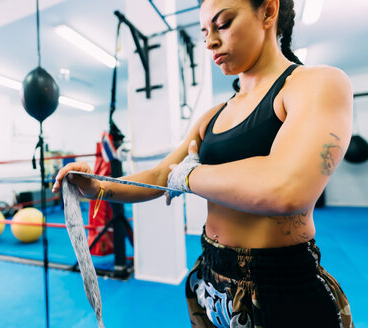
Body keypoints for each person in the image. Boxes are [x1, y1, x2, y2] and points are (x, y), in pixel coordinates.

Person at [53, 0, 354, 327]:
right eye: (204, 31)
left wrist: (190, 175)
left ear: (268, 11)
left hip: (279, 284)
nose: (209, 41)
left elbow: (288, 189)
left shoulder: (315, 84)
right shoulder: (211, 117)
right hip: (210, 277)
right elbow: (159, 175)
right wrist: (97, 186)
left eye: (223, 24)